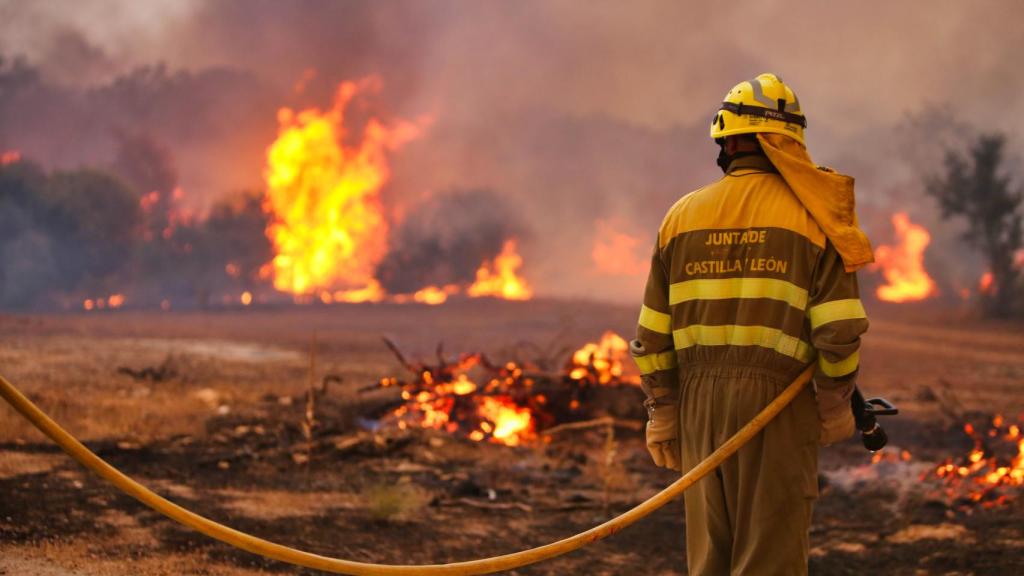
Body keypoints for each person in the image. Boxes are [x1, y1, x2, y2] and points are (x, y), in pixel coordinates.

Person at [630, 73, 873, 575]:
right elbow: (839, 330)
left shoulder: (681, 217)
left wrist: (664, 409)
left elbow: (653, 333)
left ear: (728, 140)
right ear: (788, 143)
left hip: (698, 406)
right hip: (778, 406)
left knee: (710, 558)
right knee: (769, 558)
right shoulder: (816, 218)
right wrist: (834, 404)